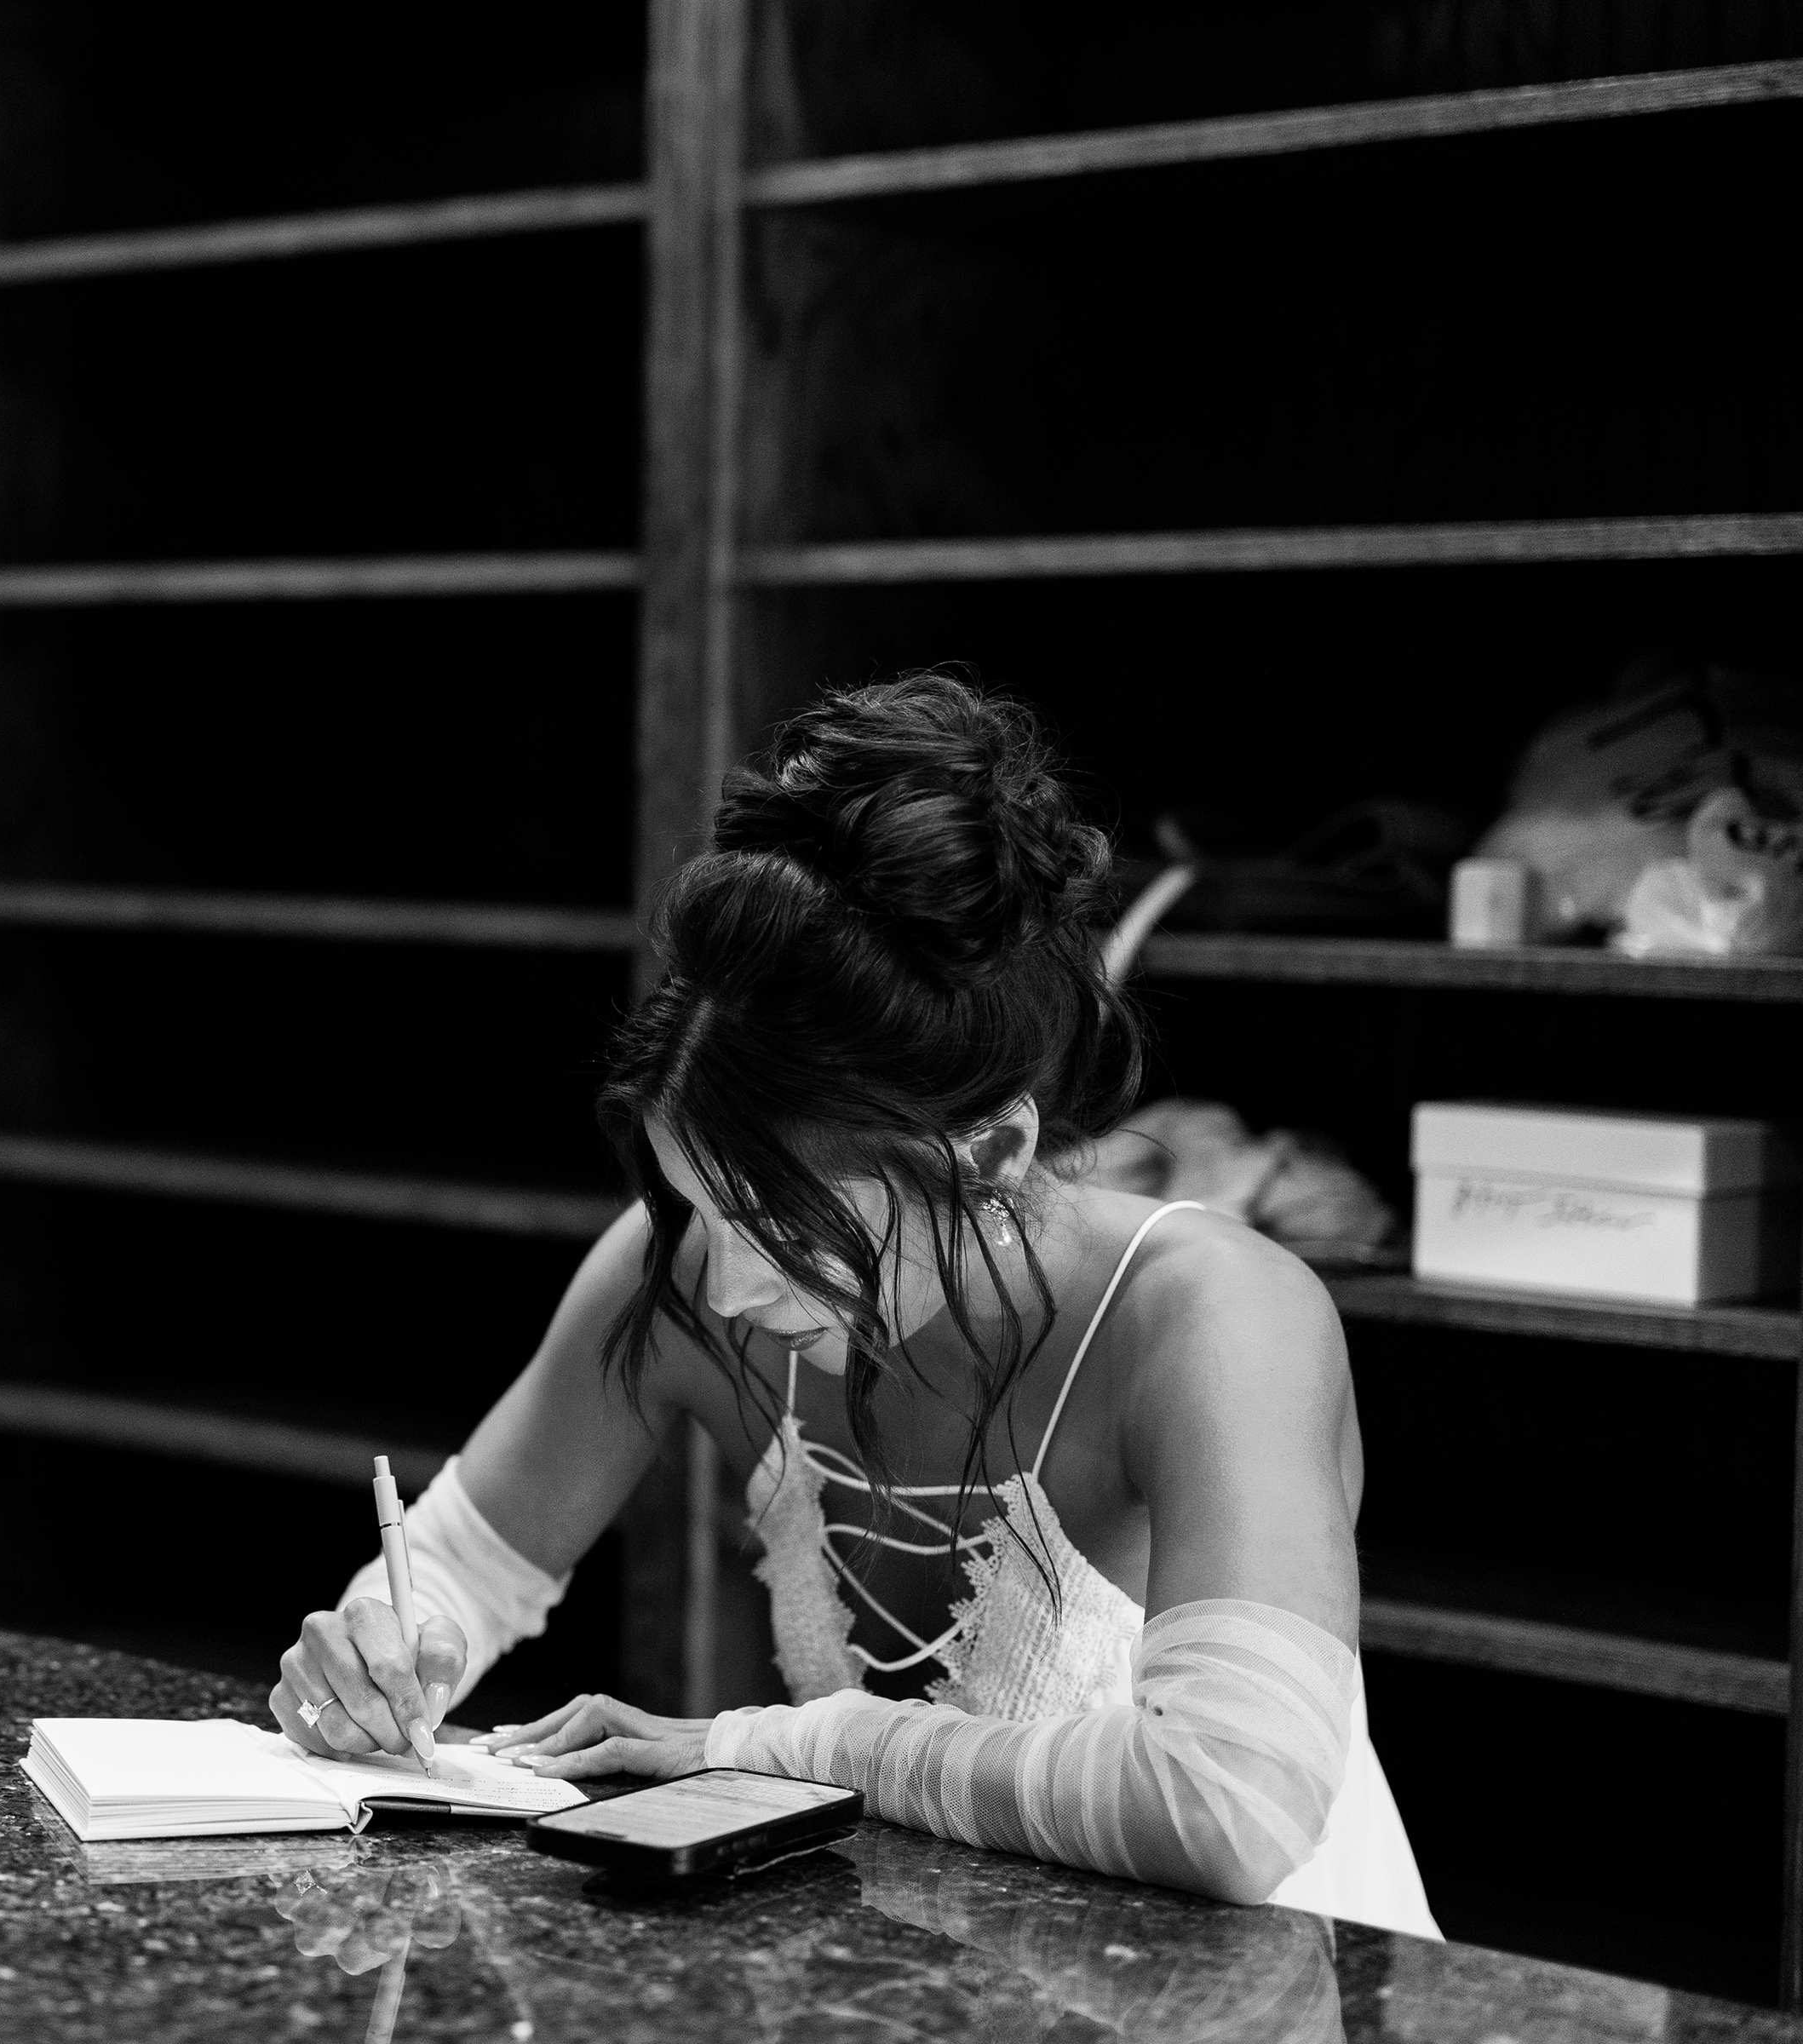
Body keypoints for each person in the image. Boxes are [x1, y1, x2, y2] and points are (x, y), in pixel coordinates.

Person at [272, 673, 1437, 1936]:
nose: (722, 1285)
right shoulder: (686, 1271)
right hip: (947, 1983)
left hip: (1268, 1981)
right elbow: (459, 1567)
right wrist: (374, 1655)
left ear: (991, 1155)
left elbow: (1228, 1808)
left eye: (782, 1230)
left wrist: (769, 1744)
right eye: (692, 1207)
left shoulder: (1217, 1317)